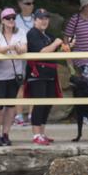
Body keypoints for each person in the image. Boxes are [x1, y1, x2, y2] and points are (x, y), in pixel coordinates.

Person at [25, 9, 63, 146]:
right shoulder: (32, 34)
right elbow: (42, 52)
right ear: (35, 20)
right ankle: (36, 134)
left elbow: (58, 48)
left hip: (50, 73)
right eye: (41, 18)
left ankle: (42, 133)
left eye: (46, 18)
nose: (44, 21)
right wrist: (56, 43)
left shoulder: (47, 35)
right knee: (39, 103)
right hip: (37, 74)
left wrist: (66, 44)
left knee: (47, 104)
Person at [0, 8, 27, 146]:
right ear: (2, 20)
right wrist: (12, 47)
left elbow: (24, 48)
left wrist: (15, 48)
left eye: (13, 17)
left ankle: (6, 133)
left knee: (11, 106)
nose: (11, 20)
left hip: (14, 74)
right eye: (8, 18)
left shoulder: (21, 32)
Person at [14, 0, 35, 126]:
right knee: (21, 86)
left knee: (33, 86)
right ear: (20, 4)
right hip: (20, 56)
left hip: (33, 55)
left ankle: (33, 115)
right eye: (27, 3)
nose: (30, 6)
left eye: (33, 3)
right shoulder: (14, 19)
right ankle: (19, 115)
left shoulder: (37, 18)